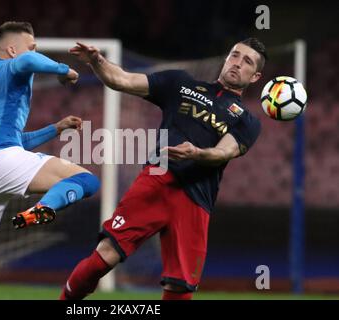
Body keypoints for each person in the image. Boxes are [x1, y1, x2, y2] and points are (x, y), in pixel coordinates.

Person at [59, 38, 266, 300]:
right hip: (157, 181)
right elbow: (121, 80)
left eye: (247, 61)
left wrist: (198, 153)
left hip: (196, 200)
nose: (237, 62)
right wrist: (97, 61)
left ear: (255, 76)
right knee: (104, 255)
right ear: (226, 59)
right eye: (234, 55)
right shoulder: (181, 83)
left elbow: (225, 151)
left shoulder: (247, 121)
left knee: (179, 287)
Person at [0, 22, 100, 300]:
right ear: (11, 49)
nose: (34, 50)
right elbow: (28, 60)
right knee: (86, 180)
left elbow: (12, 140)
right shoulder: (11, 65)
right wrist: (63, 69)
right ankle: (43, 208)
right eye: (31, 45)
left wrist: (55, 128)